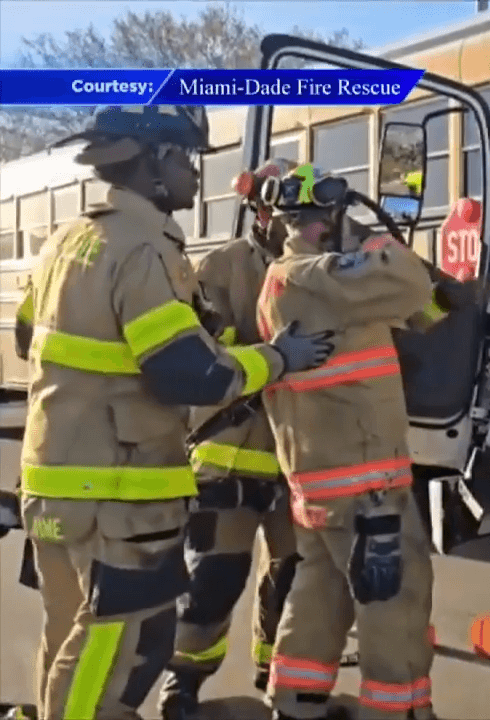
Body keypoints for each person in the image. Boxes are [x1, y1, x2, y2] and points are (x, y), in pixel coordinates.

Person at [17, 105, 336, 720]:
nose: (195, 176)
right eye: (186, 161)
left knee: (68, 641)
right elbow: (190, 374)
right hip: (113, 493)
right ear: (156, 163)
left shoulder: (69, 239)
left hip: (54, 484)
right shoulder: (144, 249)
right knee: (116, 651)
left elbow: (28, 340)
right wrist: (277, 357)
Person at [256, 164, 446, 720]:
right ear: (324, 224)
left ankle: (296, 699)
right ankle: (401, 711)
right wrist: (375, 238)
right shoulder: (317, 276)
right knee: (394, 599)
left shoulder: (290, 280)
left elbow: (413, 311)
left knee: (323, 592)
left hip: (321, 482)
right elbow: (407, 281)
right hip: (366, 484)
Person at [157, 158, 305, 720]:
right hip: (230, 453)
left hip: (297, 456)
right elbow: (204, 355)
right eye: (281, 204)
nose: (292, 216)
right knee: (215, 579)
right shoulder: (222, 268)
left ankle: (277, 670)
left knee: (292, 575)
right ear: (259, 210)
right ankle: (183, 683)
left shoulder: (319, 269)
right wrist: (270, 355)